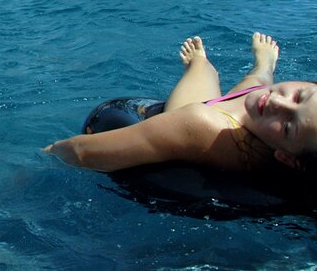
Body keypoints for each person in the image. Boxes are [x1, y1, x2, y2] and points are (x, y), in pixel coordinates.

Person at [44, 32, 317, 173]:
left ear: (285, 157)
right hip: (248, 122)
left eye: (288, 126)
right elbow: (270, 101)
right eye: (299, 96)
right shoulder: (276, 117)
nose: (278, 104)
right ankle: (264, 65)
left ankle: (201, 64)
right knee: (258, 86)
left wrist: (44, 154)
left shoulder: (202, 124)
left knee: (204, 78)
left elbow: (81, 152)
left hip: (197, 120)